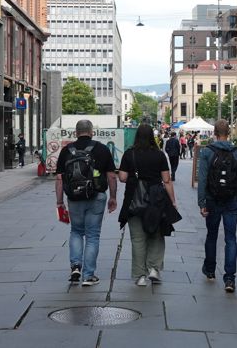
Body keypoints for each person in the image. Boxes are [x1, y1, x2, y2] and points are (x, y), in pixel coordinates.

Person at [55, 120, 117, 286]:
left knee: (76, 231)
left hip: (74, 198)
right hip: (96, 197)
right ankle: (88, 275)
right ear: (92, 132)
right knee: (92, 235)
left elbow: (60, 178)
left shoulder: (66, 150)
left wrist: (59, 201)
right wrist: (113, 197)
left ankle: (75, 266)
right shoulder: (102, 149)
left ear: (76, 133)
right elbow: (111, 175)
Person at [118, 124, 177, 286]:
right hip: (156, 201)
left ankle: (140, 276)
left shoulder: (129, 154)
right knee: (156, 235)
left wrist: (134, 174)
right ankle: (154, 269)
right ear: (152, 136)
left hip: (134, 201)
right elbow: (166, 180)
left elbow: (122, 177)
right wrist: (172, 201)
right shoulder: (159, 155)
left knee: (137, 239)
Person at [197, 120, 237, 293]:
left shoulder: (207, 152)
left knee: (211, 236)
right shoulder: (236, 153)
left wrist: (202, 202)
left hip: (212, 200)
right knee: (231, 239)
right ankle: (229, 279)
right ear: (229, 132)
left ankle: (210, 270)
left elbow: (202, 178)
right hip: (231, 201)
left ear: (214, 132)